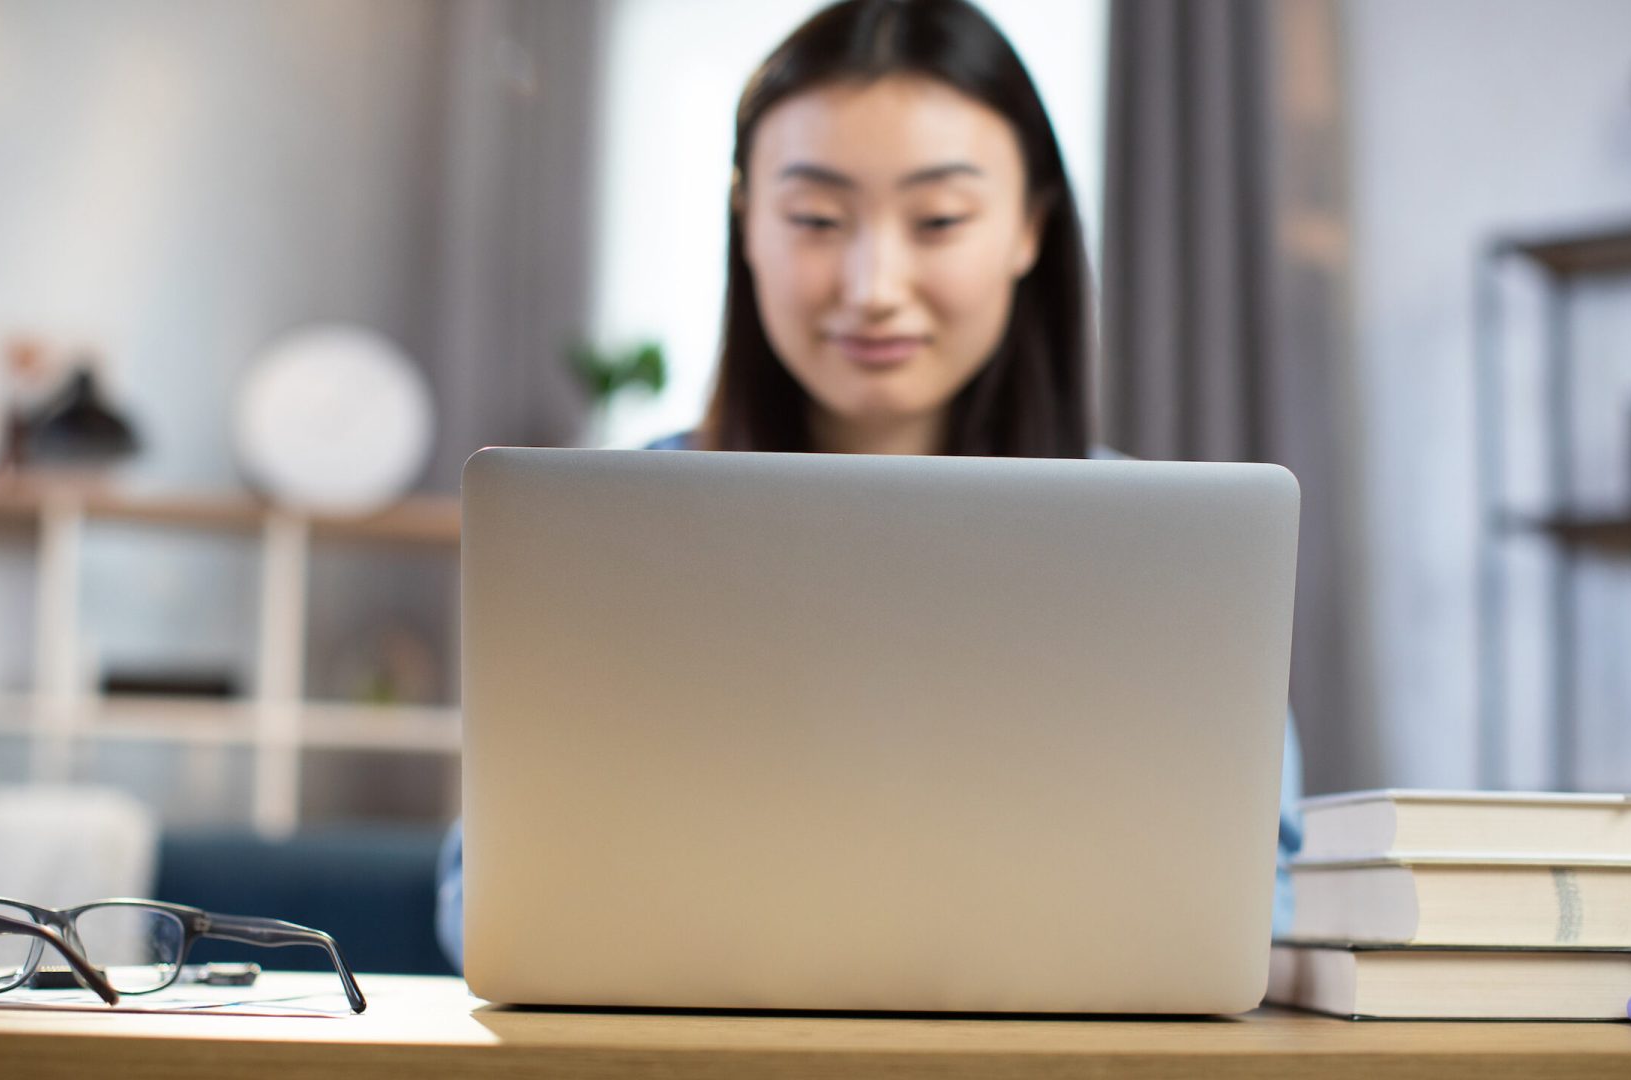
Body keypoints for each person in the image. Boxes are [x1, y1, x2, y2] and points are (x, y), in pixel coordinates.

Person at [437, 0, 1302, 972]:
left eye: (938, 220)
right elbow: (489, 903)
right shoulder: (610, 534)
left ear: (1028, 230)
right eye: (814, 218)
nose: (872, 282)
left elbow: (1257, 900)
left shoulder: (1172, 552)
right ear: (746, 221)